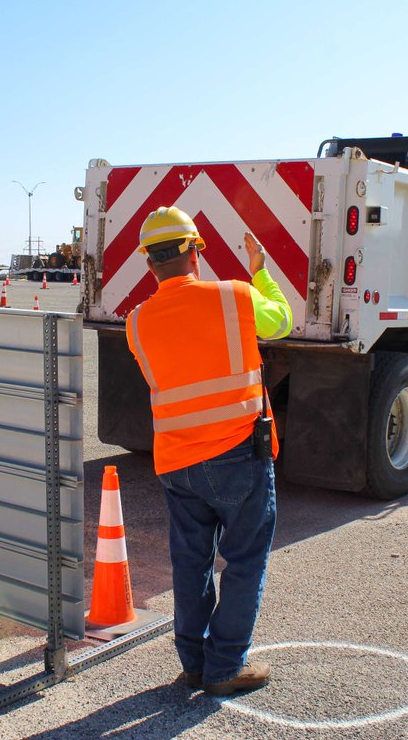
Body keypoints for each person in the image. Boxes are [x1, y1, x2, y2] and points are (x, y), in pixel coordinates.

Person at [125, 206, 292, 696]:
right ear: (195, 251)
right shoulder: (235, 296)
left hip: (176, 461)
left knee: (191, 563)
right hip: (237, 453)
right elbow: (281, 322)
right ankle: (225, 667)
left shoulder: (137, 322)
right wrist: (260, 271)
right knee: (244, 561)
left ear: (149, 262)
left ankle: (195, 664)